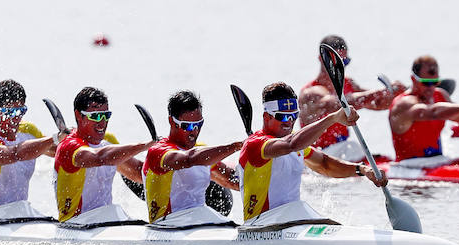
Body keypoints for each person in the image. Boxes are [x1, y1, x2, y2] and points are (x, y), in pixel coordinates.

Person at [238, 82, 385, 222]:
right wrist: (332, 118)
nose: (289, 121)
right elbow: (291, 145)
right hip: (260, 225)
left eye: (294, 115)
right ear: (266, 116)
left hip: (292, 221)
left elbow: (325, 164)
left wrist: (362, 170)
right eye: (282, 116)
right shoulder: (255, 144)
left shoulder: (297, 144)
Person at [299, 34, 405, 161]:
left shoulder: (348, 83)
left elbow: (377, 104)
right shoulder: (311, 93)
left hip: (344, 151)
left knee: (383, 159)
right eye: (337, 62)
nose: (341, 67)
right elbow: (339, 103)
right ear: (321, 59)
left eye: (344, 62)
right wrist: (381, 91)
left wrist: (399, 95)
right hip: (318, 156)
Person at [143, 90, 243, 223]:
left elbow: (232, 180)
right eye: (187, 126)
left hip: (199, 221)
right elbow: (189, 159)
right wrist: (235, 146)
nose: (194, 131)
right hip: (167, 225)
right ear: (171, 121)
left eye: (198, 124)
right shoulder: (158, 152)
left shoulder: (203, 153)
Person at [54, 87, 150, 223]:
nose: (103, 122)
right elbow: (100, 158)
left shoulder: (107, 143)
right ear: (78, 116)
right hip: (76, 223)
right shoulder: (69, 146)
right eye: (96, 116)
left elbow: (138, 173)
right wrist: (145, 145)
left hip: (106, 220)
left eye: (106, 115)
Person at [0, 79, 60, 214]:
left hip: (18, 213)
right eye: (10, 112)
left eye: (21, 111)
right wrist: (55, 138)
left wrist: (70, 139)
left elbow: (54, 152)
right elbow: (15, 154)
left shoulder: (29, 130)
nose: (16, 118)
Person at [388, 55, 459, 162]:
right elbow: (433, 112)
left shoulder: (440, 95)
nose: (431, 88)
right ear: (413, 79)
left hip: (437, 161)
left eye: (435, 82)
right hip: (409, 165)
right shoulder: (403, 104)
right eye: (426, 83)